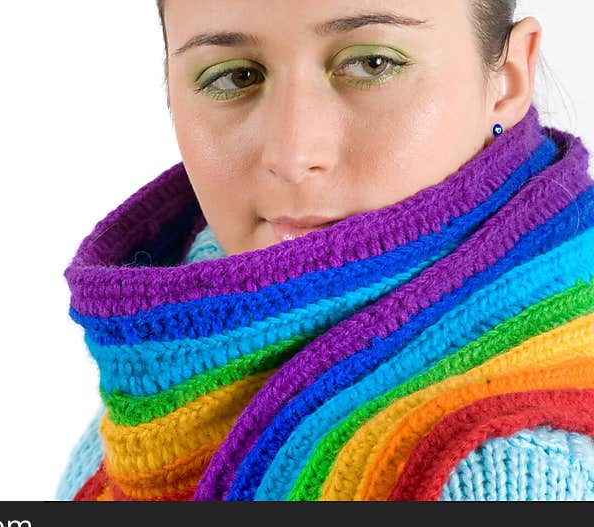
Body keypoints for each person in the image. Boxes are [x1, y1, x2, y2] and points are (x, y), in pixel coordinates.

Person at [56, 0, 594, 501]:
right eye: (235, 75)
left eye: (372, 63)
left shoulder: (503, 475)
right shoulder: (158, 391)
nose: (292, 155)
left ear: (508, 78)